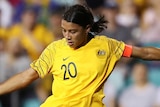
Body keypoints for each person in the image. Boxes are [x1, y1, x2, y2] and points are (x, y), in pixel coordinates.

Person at [0, 4, 160, 107]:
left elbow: (144, 52)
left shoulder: (107, 46)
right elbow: (26, 76)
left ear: (87, 28)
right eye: (64, 30)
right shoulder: (55, 49)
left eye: (73, 31)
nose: (67, 36)